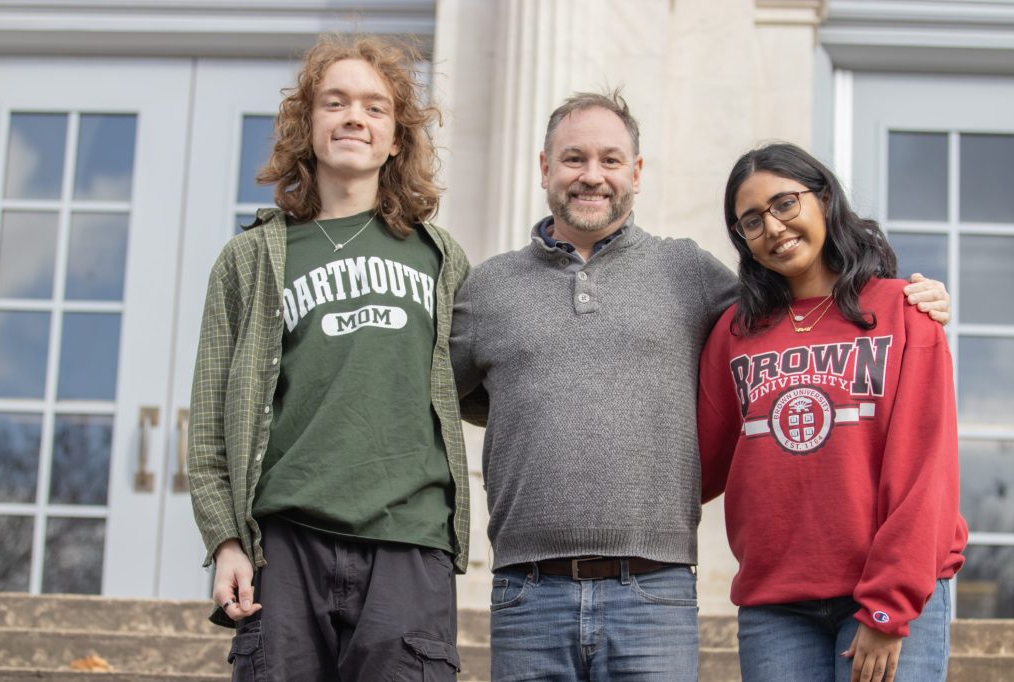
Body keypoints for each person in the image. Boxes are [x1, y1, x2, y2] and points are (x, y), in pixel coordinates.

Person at [449, 92, 951, 681]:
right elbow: (444, 393)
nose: (592, 175)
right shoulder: (490, 290)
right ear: (544, 168)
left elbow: (921, 458)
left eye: (611, 160)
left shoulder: (694, 275)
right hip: (549, 590)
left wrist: (919, 297)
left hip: (670, 593)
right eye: (573, 159)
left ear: (636, 173)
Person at [187, 35, 470, 681]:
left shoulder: (441, 258)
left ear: (397, 137)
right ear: (305, 126)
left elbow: (480, 380)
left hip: (410, 540)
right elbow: (208, 421)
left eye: (375, 108)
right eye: (334, 102)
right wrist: (225, 539)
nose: (353, 117)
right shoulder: (251, 259)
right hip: (284, 543)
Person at [697, 142, 968, 682]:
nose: (772, 228)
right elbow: (699, 463)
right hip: (775, 605)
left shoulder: (904, 312)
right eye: (751, 221)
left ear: (823, 199)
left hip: (887, 593)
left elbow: (926, 470)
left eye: (785, 204)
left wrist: (889, 604)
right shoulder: (735, 332)